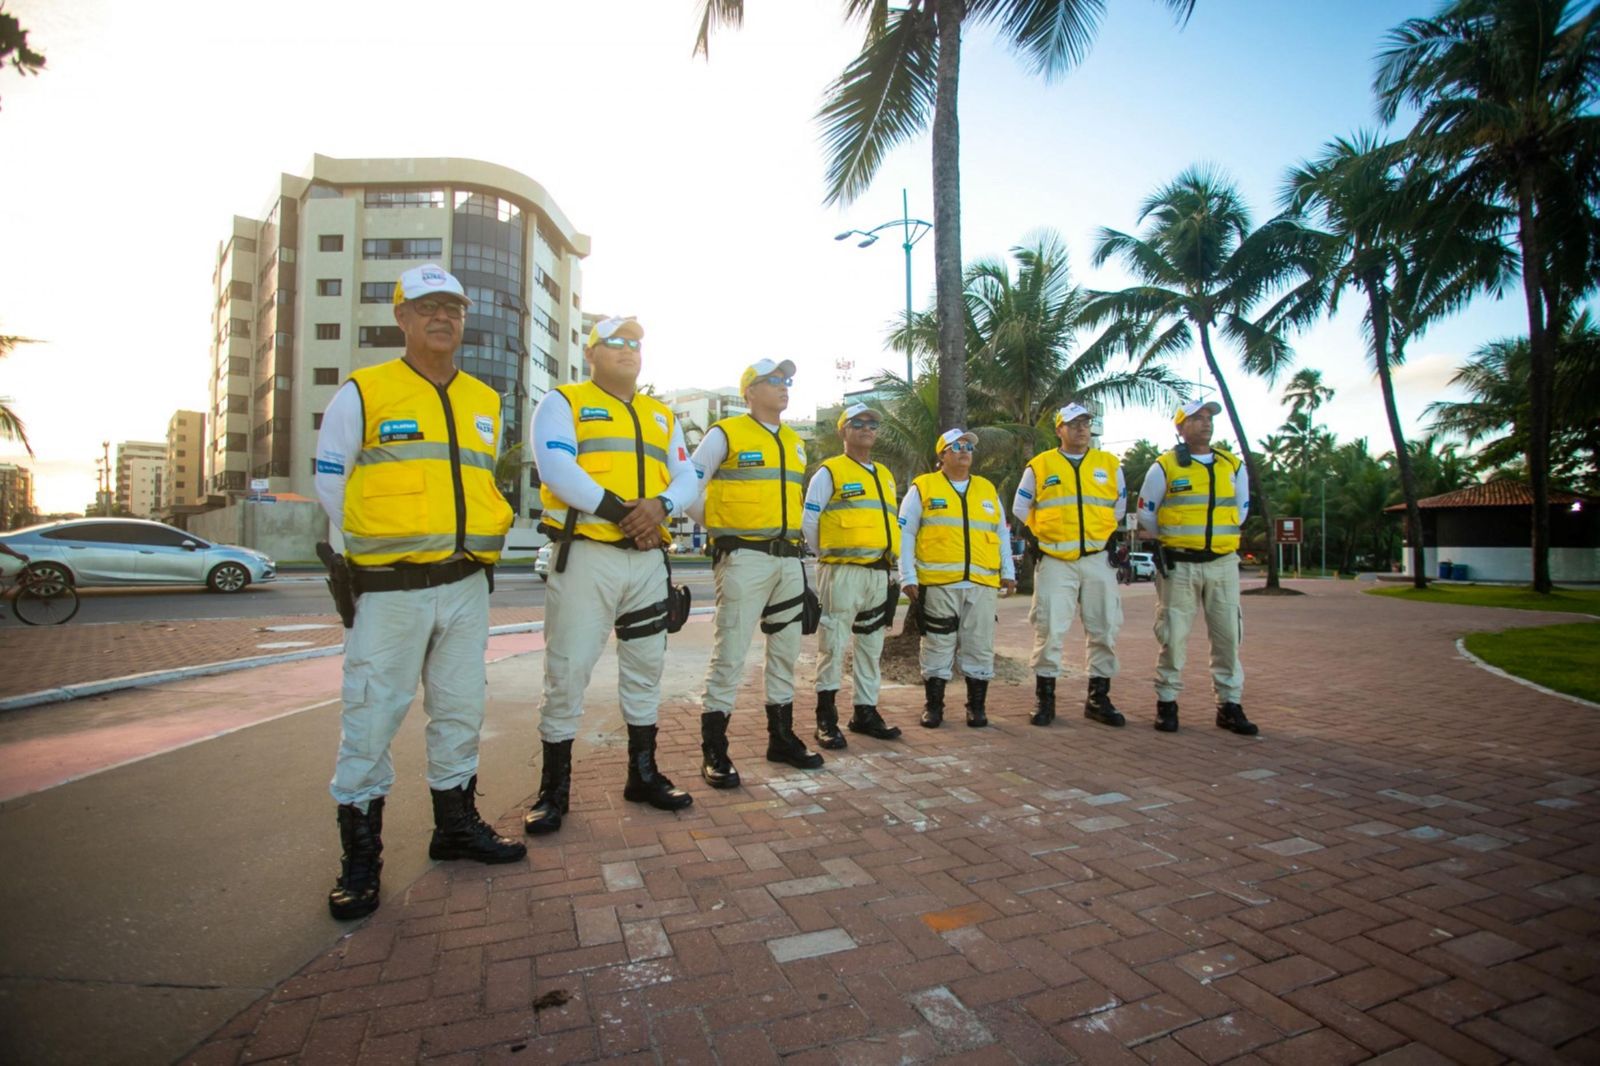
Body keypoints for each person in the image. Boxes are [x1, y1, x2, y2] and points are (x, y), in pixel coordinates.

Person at [312, 263, 525, 921]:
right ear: (401, 317)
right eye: (427, 306)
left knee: (461, 710)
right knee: (371, 716)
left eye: (453, 308)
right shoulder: (364, 392)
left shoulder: (485, 400)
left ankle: (455, 828)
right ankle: (360, 861)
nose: (442, 318)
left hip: (464, 584)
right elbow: (332, 485)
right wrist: (362, 562)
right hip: (391, 587)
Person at [522, 316, 702, 837]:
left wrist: (662, 506)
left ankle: (642, 774)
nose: (628, 350)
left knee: (646, 669)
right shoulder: (563, 402)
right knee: (567, 672)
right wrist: (628, 513)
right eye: (616, 342)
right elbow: (557, 469)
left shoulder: (660, 414)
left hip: (647, 561)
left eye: (636, 343)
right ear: (592, 352)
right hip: (586, 554)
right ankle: (553, 791)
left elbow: (686, 475)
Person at [688, 358, 821, 787]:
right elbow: (687, 485)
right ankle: (715, 750)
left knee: (785, 652)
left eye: (787, 381)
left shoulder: (795, 441)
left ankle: (781, 738)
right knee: (730, 653)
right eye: (773, 381)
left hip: (788, 560)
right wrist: (719, 523)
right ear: (749, 391)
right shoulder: (724, 433)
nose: (784, 387)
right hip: (744, 557)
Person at [1138, 399, 1258, 736]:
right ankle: (1167, 702)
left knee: (1227, 637)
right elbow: (1147, 513)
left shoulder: (1231, 466)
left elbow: (1242, 510)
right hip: (1180, 565)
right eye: (1196, 418)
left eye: (1208, 418)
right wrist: (1174, 537)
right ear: (1179, 427)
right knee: (1173, 637)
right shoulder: (1164, 467)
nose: (1205, 423)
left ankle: (1229, 705)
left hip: (1221, 564)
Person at [1012, 403, 1127, 728]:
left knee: (1104, 628)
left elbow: (1118, 508)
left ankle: (1098, 698)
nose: (1081, 428)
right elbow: (1021, 507)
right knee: (1049, 629)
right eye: (1073, 423)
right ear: (1059, 429)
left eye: (1086, 423)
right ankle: (1045, 700)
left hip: (1096, 559)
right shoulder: (1040, 465)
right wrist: (1041, 537)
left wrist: (1097, 534)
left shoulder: (1109, 464)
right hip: (1055, 560)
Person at [900, 428, 1017, 728]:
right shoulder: (923, 487)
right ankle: (934, 706)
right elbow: (906, 533)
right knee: (937, 644)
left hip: (981, 585)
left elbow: (1001, 533)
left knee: (979, 645)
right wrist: (907, 574)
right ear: (942, 455)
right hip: (940, 585)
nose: (964, 450)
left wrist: (1008, 571)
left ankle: (976, 707)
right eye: (956, 446)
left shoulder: (986, 489)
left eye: (968, 446)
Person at [802, 402, 901, 746]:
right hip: (841, 571)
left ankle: (865, 711)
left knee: (871, 646)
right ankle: (826, 719)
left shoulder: (885, 476)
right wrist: (828, 556)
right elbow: (810, 522)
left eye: (872, 424)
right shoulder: (829, 472)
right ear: (842, 431)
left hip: (878, 573)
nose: (866, 428)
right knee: (832, 644)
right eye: (857, 423)